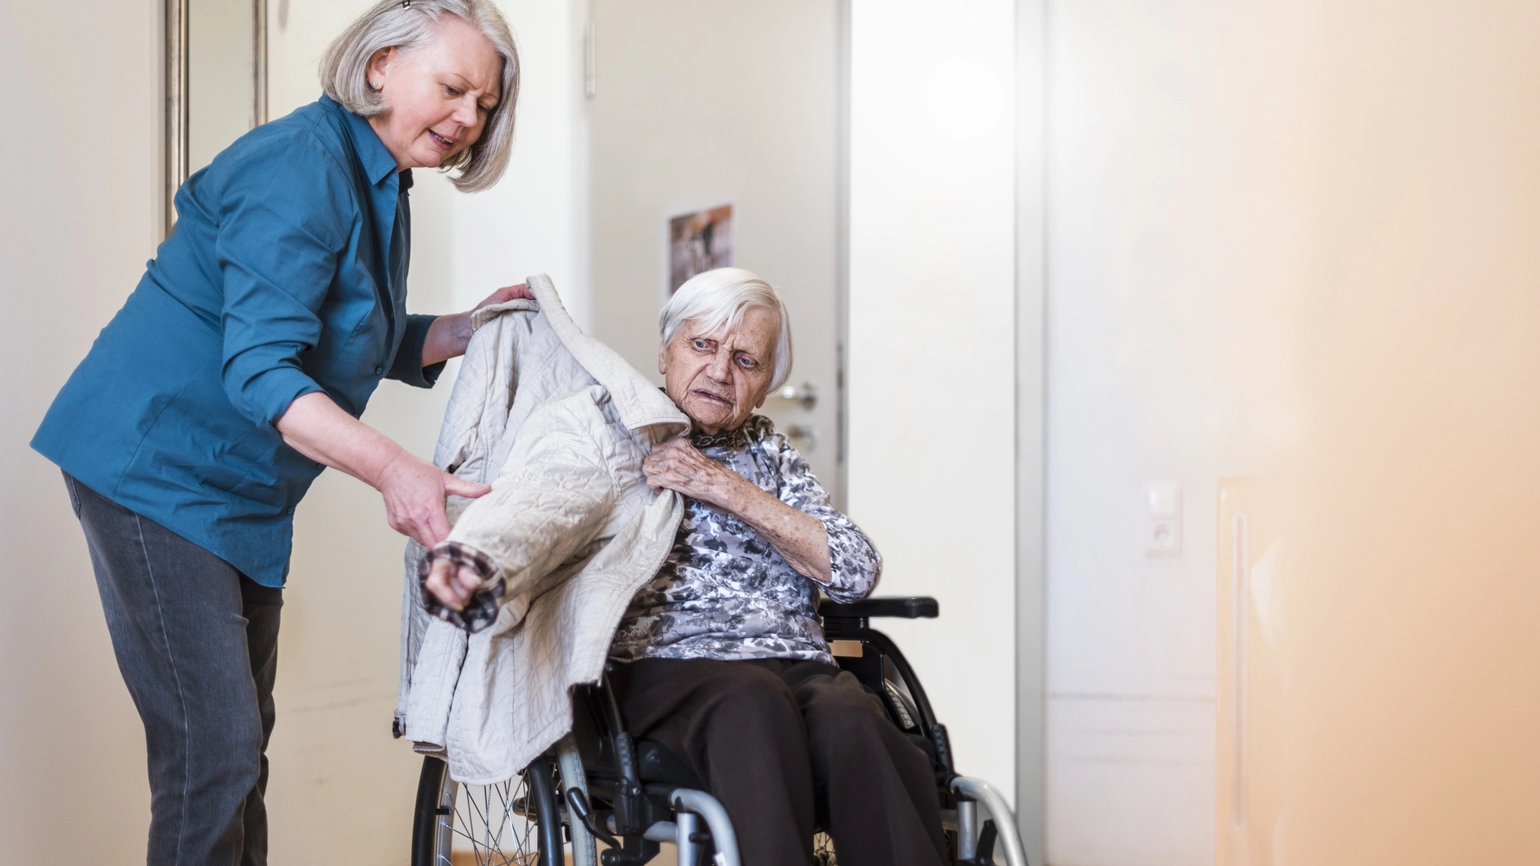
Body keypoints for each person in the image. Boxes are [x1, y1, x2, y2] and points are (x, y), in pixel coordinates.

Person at [30, 1, 525, 862]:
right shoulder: (304, 165)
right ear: (380, 68)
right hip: (158, 465)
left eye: (483, 104)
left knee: (234, 749)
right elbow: (261, 367)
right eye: (452, 88)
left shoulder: (376, 177)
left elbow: (339, 329)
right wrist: (397, 472)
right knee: (212, 750)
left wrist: (454, 330)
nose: (466, 119)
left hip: (236, 489)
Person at [424, 268, 948, 866]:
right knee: (751, 701)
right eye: (702, 345)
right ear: (665, 349)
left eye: (746, 360)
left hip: (792, 663)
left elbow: (854, 571)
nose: (721, 371)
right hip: (657, 669)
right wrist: (480, 559)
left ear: (765, 385)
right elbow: (543, 506)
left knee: (852, 713)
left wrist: (723, 486)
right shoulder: (611, 426)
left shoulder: (770, 453)